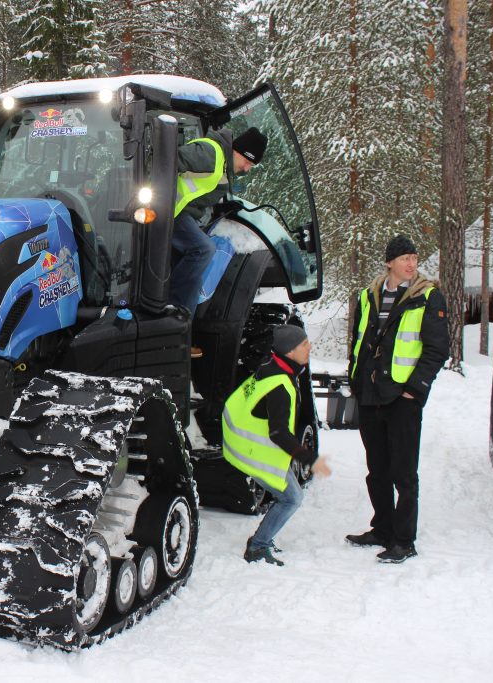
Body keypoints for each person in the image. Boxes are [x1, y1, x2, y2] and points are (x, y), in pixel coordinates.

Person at [345, 235, 448, 563]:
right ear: (389, 262)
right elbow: (358, 341)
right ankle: (383, 528)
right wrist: (355, 380)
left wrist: (414, 389)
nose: (411, 264)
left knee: (403, 473)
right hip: (370, 396)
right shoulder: (367, 296)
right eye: (405, 258)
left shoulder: (428, 297)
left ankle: (404, 540)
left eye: (414, 258)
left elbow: (437, 350)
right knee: (377, 469)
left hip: (403, 399)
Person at [223, 325, 332, 565]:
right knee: (291, 498)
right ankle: (258, 547)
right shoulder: (280, 386)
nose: (310, 347)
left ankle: (261, 541)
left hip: (241, 445)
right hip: (255, 452)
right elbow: (279, 434)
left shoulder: (269, 366)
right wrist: (310, 459)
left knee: (287, 496)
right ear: (289, 351)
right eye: (304, 344)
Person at [170, 126, 268, 335]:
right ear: (238, 151)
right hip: (167, 212)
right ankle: (173, 310)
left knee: (196, 275)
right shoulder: (211, 153)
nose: (247, 168)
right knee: (203, 249)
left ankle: (183, 328)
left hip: (180, 214)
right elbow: (168, 158)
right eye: (248, 162)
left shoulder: (222, 165)